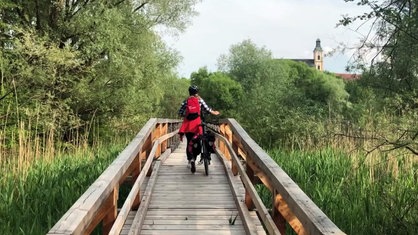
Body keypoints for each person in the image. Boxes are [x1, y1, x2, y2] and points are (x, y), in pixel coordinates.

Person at [178, 85, 220, 173]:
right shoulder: (200, 100)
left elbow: (180, 112)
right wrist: (214, 112)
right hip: (197, 125)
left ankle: (191, 159)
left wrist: (186, 115)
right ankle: (198, 156)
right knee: (199, 141)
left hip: (188, 125)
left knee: (189, 142)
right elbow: (207, 109)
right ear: (197, 92)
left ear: (189, 92)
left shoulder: (186, 101)